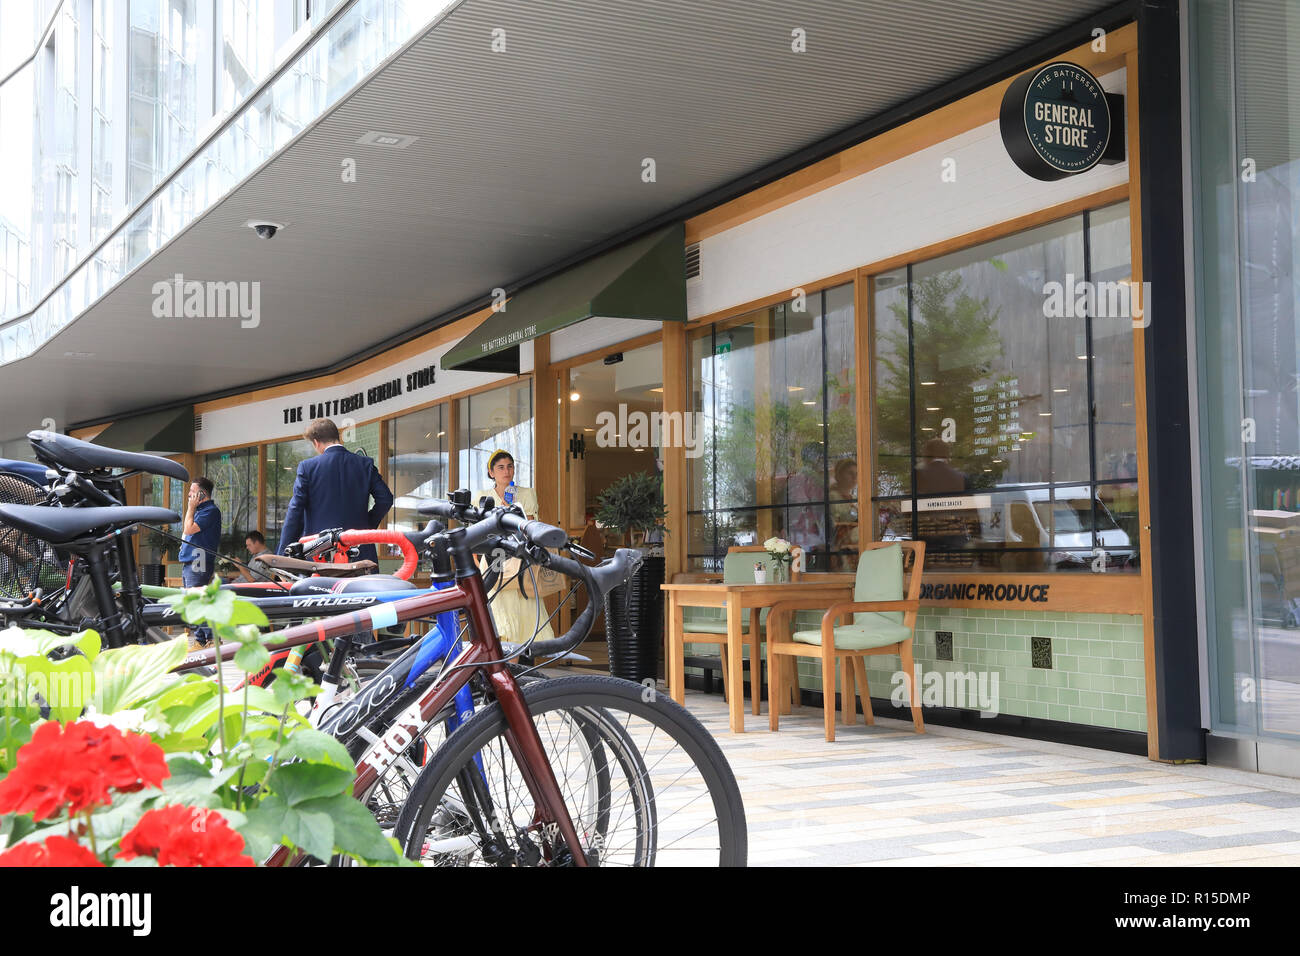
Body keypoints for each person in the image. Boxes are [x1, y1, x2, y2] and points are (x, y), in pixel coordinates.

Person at [278, 418, 394, 565]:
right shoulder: (364, 464)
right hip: (359, 551)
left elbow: (295, 511)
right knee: (363, 588)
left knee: (320, 588)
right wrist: (365, 527)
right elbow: (385, 499)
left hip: (319, 554)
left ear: (316, 442)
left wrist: (283, 555)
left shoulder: (308, 468)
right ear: (336, 436)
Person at [475, 449, 556, 645]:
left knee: (521, 618)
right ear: (491, 472)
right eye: (501, 467)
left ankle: (513, 669)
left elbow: (530, 526)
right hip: (492, 560)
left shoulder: (526, 493)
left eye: (510, 466)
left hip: (520, 559)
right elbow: (477, 531)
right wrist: (476, 563)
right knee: (497, 618)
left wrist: (510, 512)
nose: (506, 471)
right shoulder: (482, 496)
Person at [178, 477, 221, 647]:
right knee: (193, 601)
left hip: (199, 560)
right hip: (191, 559)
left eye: (192, 491)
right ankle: (200, 639)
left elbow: (188, 529)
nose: (189, 495)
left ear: (202, 493)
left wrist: (190, 508)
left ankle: (211, 638)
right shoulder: (200, 510)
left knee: (198, 600)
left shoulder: (209, 511)